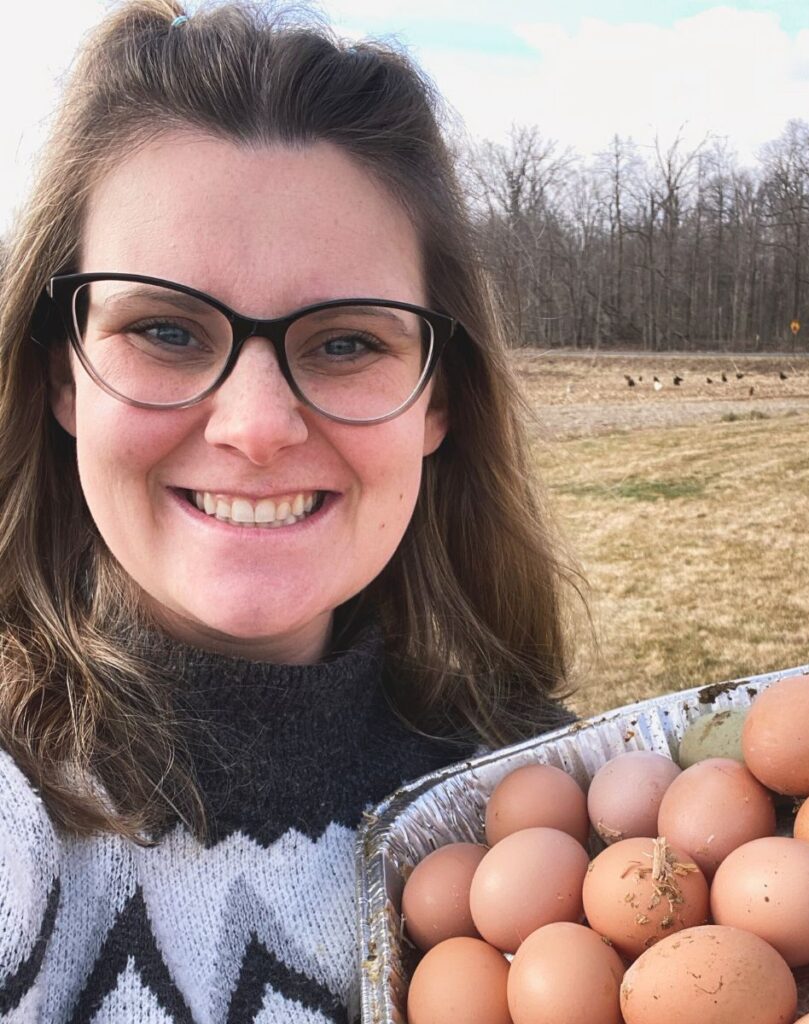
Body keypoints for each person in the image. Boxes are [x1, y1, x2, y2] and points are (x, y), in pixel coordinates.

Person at [0, 2, 580, 1020]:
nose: (257, 427)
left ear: (437, 398)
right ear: (63, 377)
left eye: (347, 342)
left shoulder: (554, 810)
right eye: (167, 329)